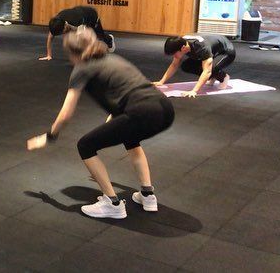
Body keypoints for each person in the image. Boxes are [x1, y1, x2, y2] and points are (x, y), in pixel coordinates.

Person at [27, 27, 174, 219]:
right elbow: (129, 90)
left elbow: (66, 113)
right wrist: (116, 118)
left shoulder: (82, 68)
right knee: (130, 138)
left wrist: (50, 136)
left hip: (141, 112)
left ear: (72, 53)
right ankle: (147, 195)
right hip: (165, 109)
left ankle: (113, 204)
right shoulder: (113, 59)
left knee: (85, 145)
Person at [154, 34, 236, 97]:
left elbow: (207, 71)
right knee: (186, 66)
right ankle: (215, 75)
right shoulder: (181, 43)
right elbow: (174, 65)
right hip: (212, 50)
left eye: (175, 54)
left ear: (183, 48)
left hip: (225, 52)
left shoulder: (202, 47)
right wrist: (161, 81)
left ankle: (223, 77)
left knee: (210, 68)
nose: (174, 56)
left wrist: (194, 91)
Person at [39, 6, 115, 61]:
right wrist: (49, 55)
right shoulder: (56, 23)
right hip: (79, 15)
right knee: (76, 38)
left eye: (62, 32)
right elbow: (50, 38)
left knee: (99, 37)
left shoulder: (76, 22)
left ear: (65, 25)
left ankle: (109, 39)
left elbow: (90, 36)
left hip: (92, 16)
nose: (63, 34)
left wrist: (87, 54)